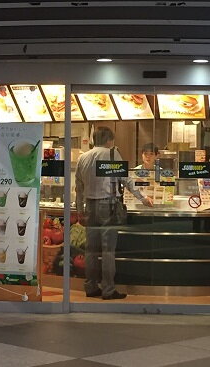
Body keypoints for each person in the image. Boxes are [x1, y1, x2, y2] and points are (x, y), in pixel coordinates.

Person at [75, 127, 153, 300]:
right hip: (108, 206)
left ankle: (90, 287)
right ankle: (108, 290)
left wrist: (79, 209)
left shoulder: (83, 157)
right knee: (108, 251)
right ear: (109, 140)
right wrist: (142, 198)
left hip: (90, 206)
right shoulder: (111, 154)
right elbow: (126, 180)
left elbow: (78, 188)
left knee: (91, 250)